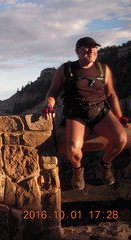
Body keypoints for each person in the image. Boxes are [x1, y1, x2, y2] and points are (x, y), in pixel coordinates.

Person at [42, 37, 129, 190]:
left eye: (94, 48)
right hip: (76, 113)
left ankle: (105, 164)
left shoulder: (103, 70)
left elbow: (111, 95)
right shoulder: (66, 69)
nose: (91, 51)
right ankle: (78, 170)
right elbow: (53, 91)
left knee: (121, 139)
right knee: (73, 148)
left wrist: (120, 117)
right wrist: (49, 106)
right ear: (77, 51)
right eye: (86, 48)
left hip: (100, 112)